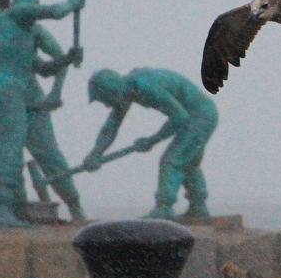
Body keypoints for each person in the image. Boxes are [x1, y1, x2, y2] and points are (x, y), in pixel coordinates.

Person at [0, 0, 87, 223]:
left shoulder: (24, 32)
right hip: (5, 96)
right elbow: (56, 11)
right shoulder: (4, 21)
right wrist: (73, 2)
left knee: (47, 156)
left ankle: (73, 204)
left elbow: (45, 67)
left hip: (28, 102)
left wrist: (66, 61)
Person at [83, 68, 218, 219]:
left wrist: (152, 140)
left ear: (112, 91)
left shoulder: (146, 86)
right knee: (188, 162)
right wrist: (96, 153)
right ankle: (198, 206)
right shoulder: (128, 90)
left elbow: (180, 117)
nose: (107, 106)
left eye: (105, 100)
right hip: (195, 114)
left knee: (172, 161)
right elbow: (111, 127)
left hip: (200, 115)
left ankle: (164, 207)